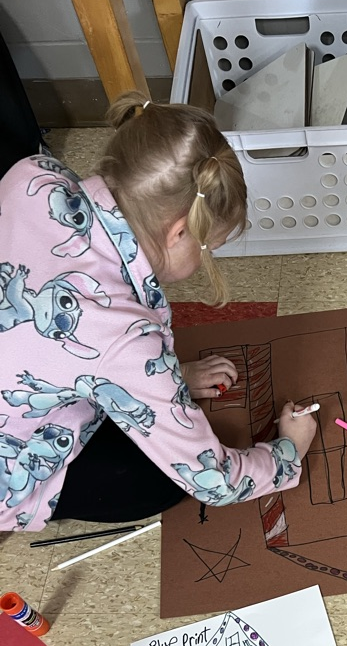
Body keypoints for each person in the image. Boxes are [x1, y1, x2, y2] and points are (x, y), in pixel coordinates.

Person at [0, 90, 316, 531]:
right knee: (157, 482)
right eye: (212, 247)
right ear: (179, 232)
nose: (209, 259)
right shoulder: (121, 337)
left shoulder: (34, 175)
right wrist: (288, 451)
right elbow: (215, 481)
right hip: (8, 463)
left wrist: (171, 376)